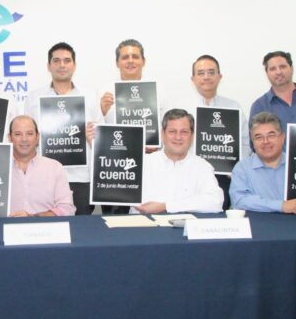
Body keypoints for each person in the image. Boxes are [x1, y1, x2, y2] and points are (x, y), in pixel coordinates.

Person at [23, 42, 98, 215]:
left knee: (81, 227)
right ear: (48, 66)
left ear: (74, 65)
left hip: (81, 177)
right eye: (56, 61)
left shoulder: (90, 96)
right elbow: (27, 137)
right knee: (45, 226)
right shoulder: (34, 98)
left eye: (67, 60)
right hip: (43, 176)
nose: (62, 65)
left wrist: (92, 137)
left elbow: (99, 137)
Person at [99, 38, 159, 214]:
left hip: (150, 165)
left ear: (143, 61)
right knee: (115, 221)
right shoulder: (104, 91)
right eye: (125, 57)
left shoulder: (158, 90)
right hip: (116, 168)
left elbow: (166, 127)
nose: (130, 61)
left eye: (135, 57)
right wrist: (102, 111)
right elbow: (95, 132)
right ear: (117, 62)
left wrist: (156, 144)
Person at [183, 54, 250, 209]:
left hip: (223, 177)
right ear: (193, 79)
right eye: (201, 73)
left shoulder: (233, 107)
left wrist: (234, 169)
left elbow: (245, 144)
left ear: (220, 76)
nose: (206, 77)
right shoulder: (181, 107)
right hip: (188, 175)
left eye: (211, 72)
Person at [133, 109, 223, 214]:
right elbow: (136, 202)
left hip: (184, 224)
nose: (178, 137)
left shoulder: (202, 167)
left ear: (192, 136)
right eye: (172, 131)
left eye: (184, 132)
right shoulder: (142, 163)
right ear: (162, 134)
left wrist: (166, 206)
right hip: (143, 223)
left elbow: (215, 201)